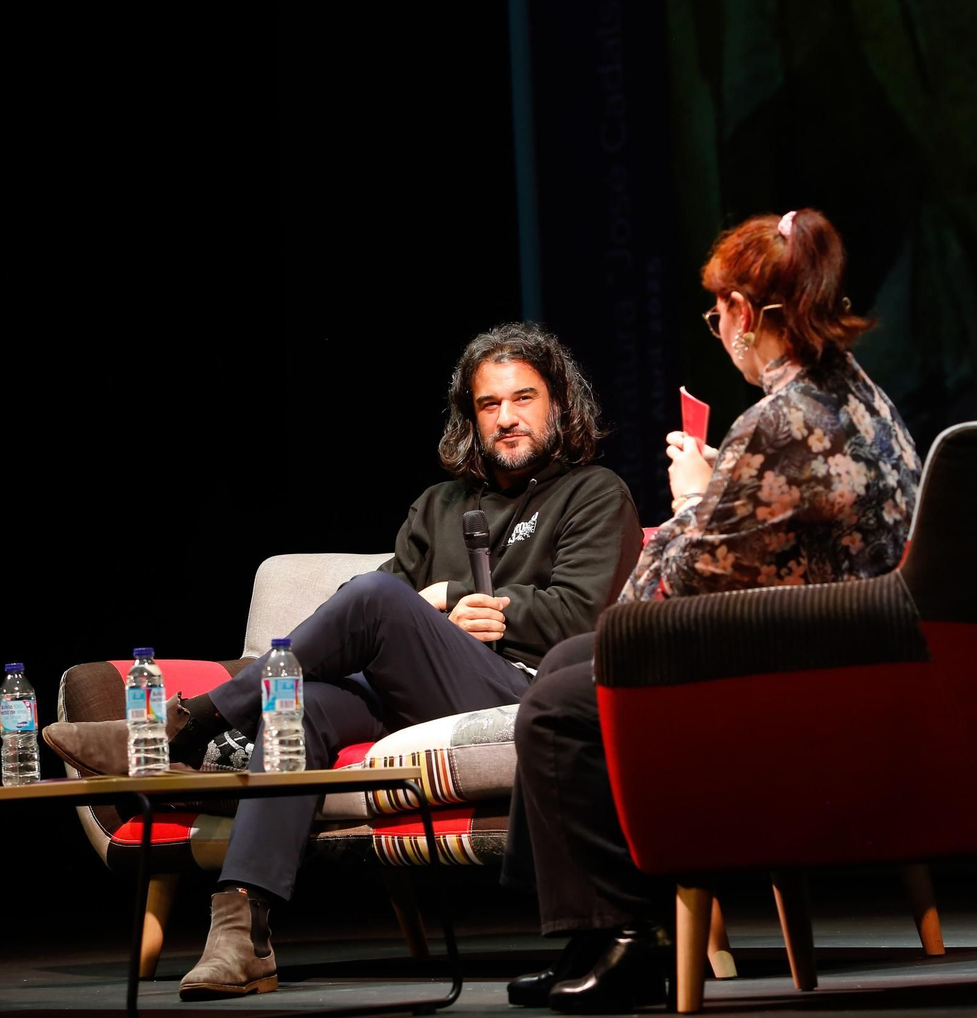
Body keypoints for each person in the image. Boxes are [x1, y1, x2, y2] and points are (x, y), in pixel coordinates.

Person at [41, 321, 642, 1002]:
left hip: (523, 687)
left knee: (381, 600)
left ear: (558, 403)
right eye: (488, 404)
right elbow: (369, 617)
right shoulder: (439, 505)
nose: (506, 418)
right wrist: (435, 610)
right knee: (302, 701)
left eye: (523, 398)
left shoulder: (593, 492)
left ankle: (187, 725)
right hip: (415, 688)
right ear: (469, 416)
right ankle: (243, 931)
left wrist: (487, 606)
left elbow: (588, 616)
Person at [503, 209, 923, 1012]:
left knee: (561, 701)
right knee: (564, 665)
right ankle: (597, 930)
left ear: (746, 313)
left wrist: (694, 500)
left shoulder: (779, 423)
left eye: (718, 311)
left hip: (797, 679)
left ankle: (631, 934)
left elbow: (660, 596)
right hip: (839, 654)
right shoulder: (862, 397)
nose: (718, 329)